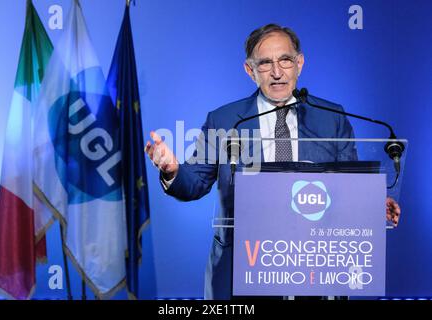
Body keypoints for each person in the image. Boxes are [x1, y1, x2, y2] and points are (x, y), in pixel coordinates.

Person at [145, 23, 401, 300]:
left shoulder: (331, 117)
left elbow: (346, 187)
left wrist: (372, 202)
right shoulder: (225, 120)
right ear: (250, 70)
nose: (277, 73)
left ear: (299, 63)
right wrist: (172, 171)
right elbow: (193, 184)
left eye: (285, 60)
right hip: (242, 269)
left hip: (315, 268)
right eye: (265, 63)